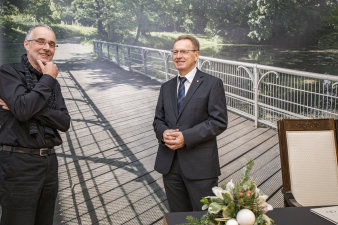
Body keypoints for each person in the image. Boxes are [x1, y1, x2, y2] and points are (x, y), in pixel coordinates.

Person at [0, 24, 70, 225]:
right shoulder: (8, 73)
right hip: (18, 164)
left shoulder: (51, 84)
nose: (47, 47)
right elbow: (23, 110)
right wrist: (48, 78)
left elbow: (64, 122)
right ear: (26, 44)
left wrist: (22, 106)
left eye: (52, 44)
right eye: (41, 41)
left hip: (48, 164)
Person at [153, 35, 228, 212]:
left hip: (200, 167)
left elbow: (218, 121)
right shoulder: (166, 87)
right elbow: (158, 120)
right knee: (179, 218)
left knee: (205, 219)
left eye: (184, 51)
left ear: (196, 55)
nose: (178, 56)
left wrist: (186, 137)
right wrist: (163, 133)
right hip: (170, 166)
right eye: (175, 52)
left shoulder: (212, 84)